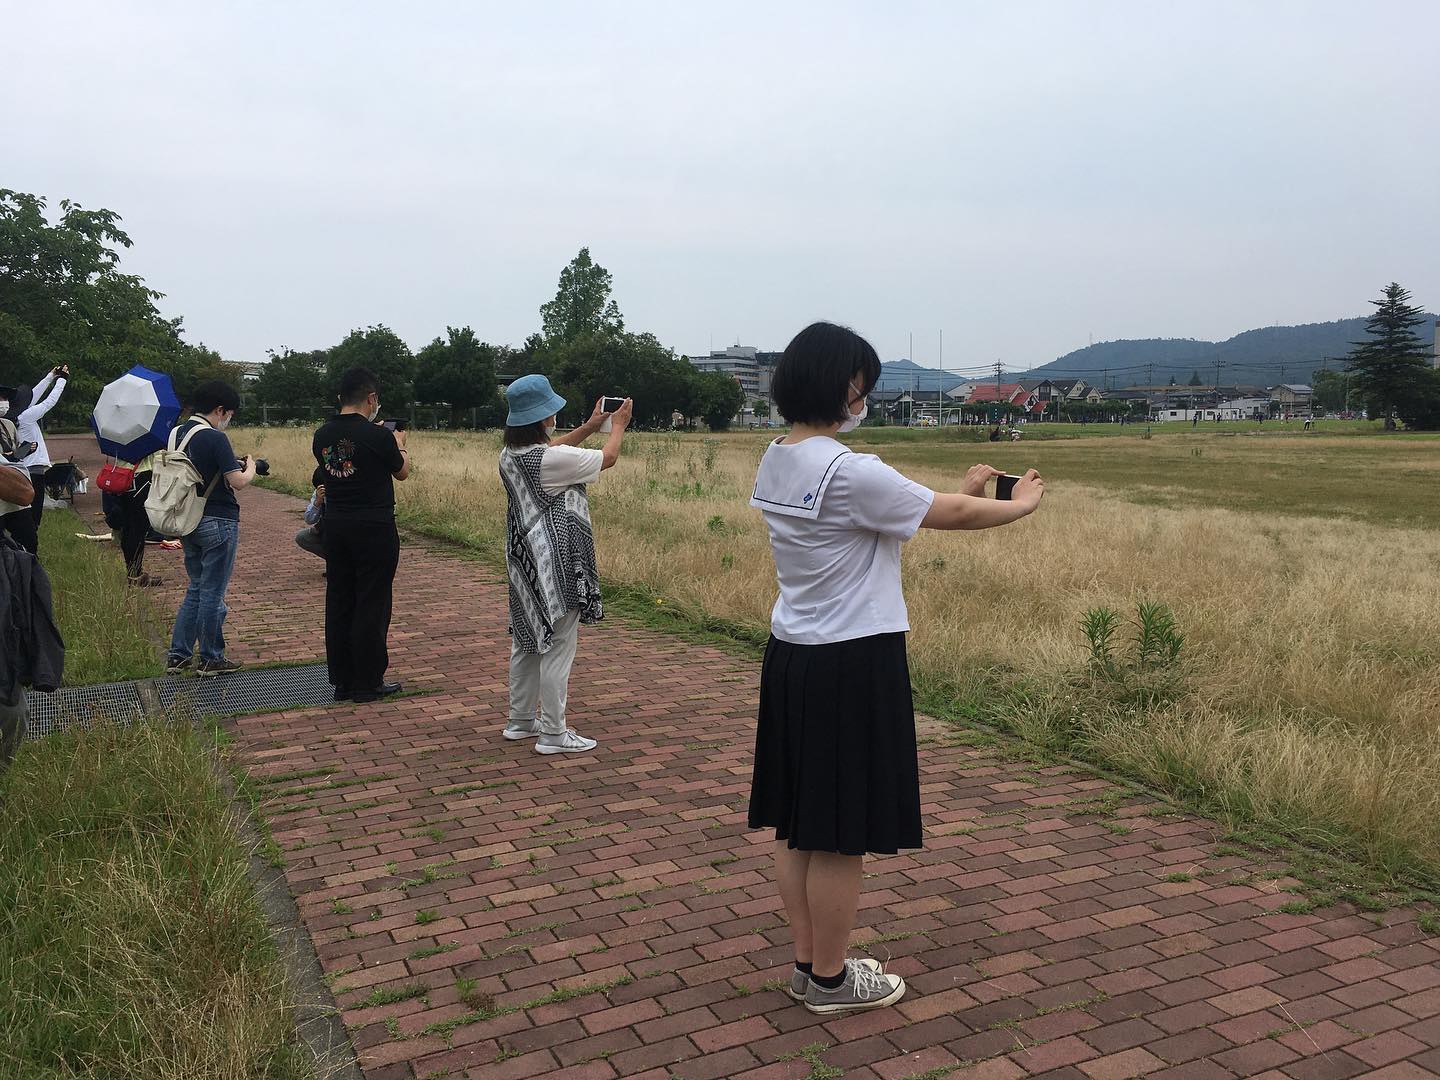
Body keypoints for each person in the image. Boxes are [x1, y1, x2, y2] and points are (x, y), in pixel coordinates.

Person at [748, 322, 1044, 1016]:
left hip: (793, 654)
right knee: (840, 832)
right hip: (853, 661)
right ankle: (832, 981)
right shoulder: (850, 470)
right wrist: (1019, 504)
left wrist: (961, 487)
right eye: (863, 386)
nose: (865, 397)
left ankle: (806, 965)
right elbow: (949, 515)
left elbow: (886, 513)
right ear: (841, 386)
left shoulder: (778, 459)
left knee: (798, 824)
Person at [498, 375, 631, 755]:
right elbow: (608, 458)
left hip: (523, 562)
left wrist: (589, 426)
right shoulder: (552, 460)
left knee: (526, 639)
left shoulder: (510, 456)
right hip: (556, 563)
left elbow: (553, 451)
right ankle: (554, 734)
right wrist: (615, 427)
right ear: (542, 418)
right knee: (558, 646)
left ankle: (520, 720)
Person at [313, 368, 410, 703]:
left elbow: (326, 472)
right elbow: (402, 472)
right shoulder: (379, 436)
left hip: (336, 525)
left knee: (340, 599)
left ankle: (342, 680)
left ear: (341, 397)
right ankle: (368, 681)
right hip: (374, 526)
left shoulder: (321, 435)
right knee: (372, 601)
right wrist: (401, 445)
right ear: (371, 398)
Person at [166, 380, 257, 677]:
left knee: (196, 588)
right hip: (218, 519)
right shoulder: (215, 438)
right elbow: (237, 482)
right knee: (212, 594)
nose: (228, 419)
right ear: (220, 410)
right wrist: (251, 467)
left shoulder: (176, 434)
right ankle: (210, 658)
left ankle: (178, 655)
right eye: (229, 413)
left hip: (187, 519)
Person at [12, 365, 69, 554]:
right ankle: (28, 554)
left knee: (23, 515)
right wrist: (62, 380)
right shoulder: (26, 416)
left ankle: (22, 550)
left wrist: (51, 376)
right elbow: (48, 402)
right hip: (33, 471)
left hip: (21, 470)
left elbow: (33, 397)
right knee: (33, 518)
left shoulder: (15, 417)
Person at [295, 484, 326, 559]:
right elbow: (309, 519)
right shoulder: (321, 490)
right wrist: (317, 502)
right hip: (328, 530)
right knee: (302, 537)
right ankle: (337, 562)